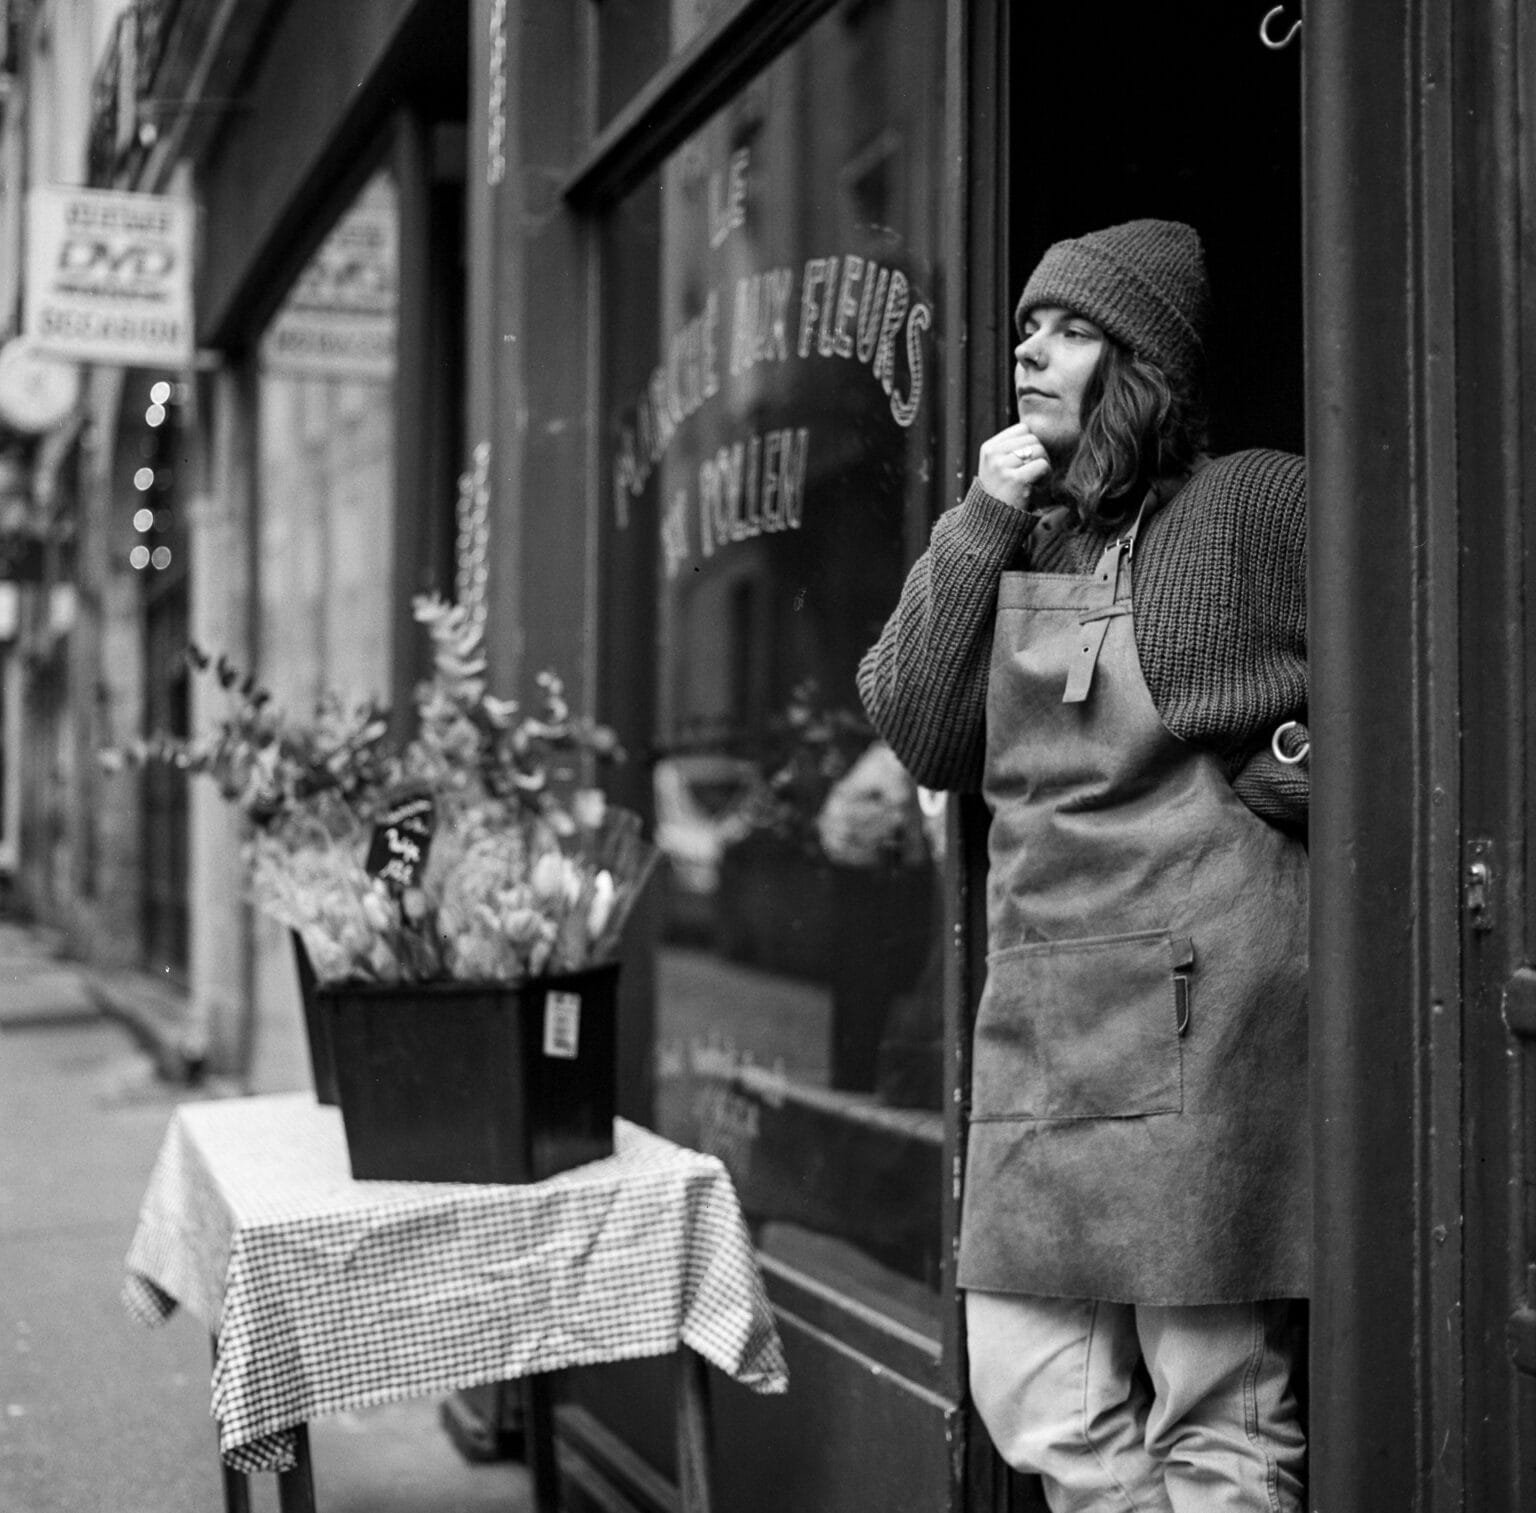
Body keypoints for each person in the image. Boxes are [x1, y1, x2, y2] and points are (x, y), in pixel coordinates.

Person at [857, 219, 1310, 1512]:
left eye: (1070, 331)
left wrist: (1284, 761)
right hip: (1048, 1016)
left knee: (1217, 1410)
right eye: (1025, 330)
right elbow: (917, 724)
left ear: (1141, 361)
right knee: (1035, 1393)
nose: (1030, 354)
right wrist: (981, 515)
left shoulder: (1249, 503)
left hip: (1200, 1014)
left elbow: (1410, 662)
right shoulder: (1022, 532)